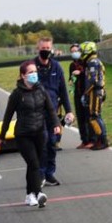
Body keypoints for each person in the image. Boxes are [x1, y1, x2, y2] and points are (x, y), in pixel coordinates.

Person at [0, 61, 59, 208]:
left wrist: (56, 124)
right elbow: (8, 116)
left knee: (33, 166)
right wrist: (2, 135)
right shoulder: (17, 94)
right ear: (23, 76)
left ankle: (29, 195)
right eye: (30, 72)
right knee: (34, 164)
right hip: (23, 135)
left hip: (39, 133)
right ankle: (39, 193)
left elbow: (50, 110)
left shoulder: (41, 90)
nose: (33, 75)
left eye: (34, 72)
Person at [34, 37, 74, 185]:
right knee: (42, 142)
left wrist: (69, 111)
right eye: (42, 49)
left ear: (52, 49)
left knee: (52, 143)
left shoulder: (56, 67)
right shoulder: (32, 67)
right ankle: (40, 173)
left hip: (54, 113)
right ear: (38, 49)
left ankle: (50, 173)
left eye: (47, 49)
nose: (45, 51)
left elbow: (63, 91)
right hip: (37, 112)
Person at [79, 41, 109, 150]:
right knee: (96, 116)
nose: (80, 54)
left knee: (94, 116)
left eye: (82, 51)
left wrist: (86, 93)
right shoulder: (93, 62)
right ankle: (102, 139)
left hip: (95, 92)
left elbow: (93, 80)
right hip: (96, 91)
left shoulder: (93, 62)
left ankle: (102, 141)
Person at [68, 43, 90, 149]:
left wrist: (80, 73)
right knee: (80, 117)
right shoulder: (72, 65)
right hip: (77, 93)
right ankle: (84, 140)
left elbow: (88, 75)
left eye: (76, 51)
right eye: (72, 52)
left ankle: (92, 139)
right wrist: (72, 78)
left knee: (88, 117)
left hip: (86, 92)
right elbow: (71, 80)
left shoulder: (86, 62)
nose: (74, 53)